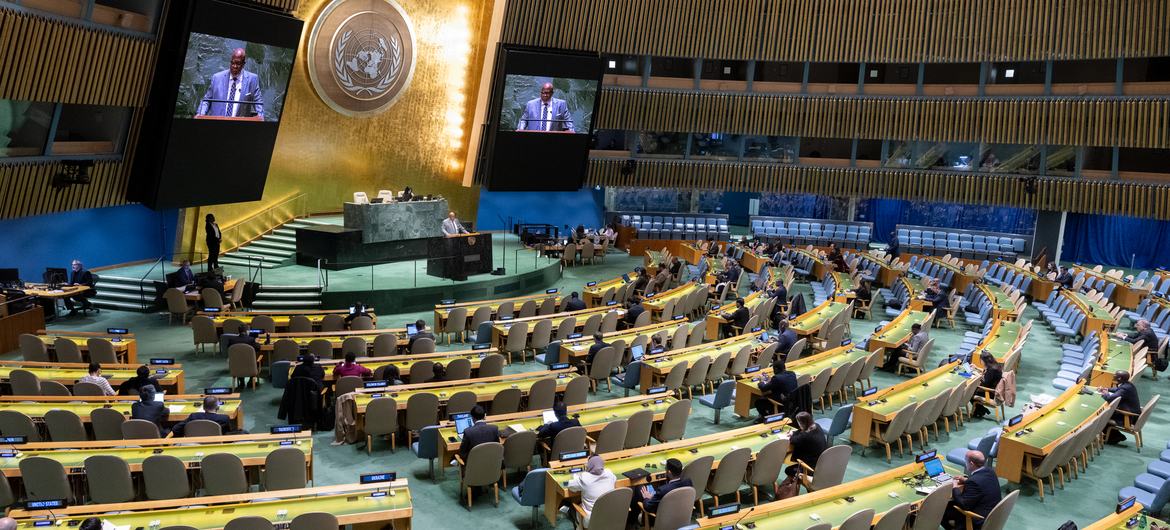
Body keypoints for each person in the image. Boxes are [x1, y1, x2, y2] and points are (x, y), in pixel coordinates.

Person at [941, 451, 1002, 530]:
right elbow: (981, 483)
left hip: (978, 519)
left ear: (971, 464)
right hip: (992, 514)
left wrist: (955, 486)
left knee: (941, 511)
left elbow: (964, 505)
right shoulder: (990, 471)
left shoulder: (973, 481)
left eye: (966, 461)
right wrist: (966, 480)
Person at [196, 48, 264, 119]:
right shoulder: (217, 78)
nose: (234, 66)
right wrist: (200, 114)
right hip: (217, 123)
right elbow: (206, 100)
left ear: (243, 64)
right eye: (232, 63)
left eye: (238, 63)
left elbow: (258, 102)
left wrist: (260, 118)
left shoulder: (252, 79)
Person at [631, 458, 692, 525]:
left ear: (669, 472)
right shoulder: (688, 483)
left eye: (665, 468)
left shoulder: (663, 490)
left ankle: (634, 520)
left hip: (660, 520)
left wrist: (647, 497)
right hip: (682, 517)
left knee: (639, 487)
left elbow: (647, 507)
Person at [566, 454, 617, 527]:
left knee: (572, 504)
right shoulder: (609, 474)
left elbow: (569, 485)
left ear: (589, 465)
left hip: (591, 520)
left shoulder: (584, 478)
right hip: (610, 516)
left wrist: (575, 475)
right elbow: (614, 479)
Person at [1101, 370, 1141, 444]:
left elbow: (1109, 399)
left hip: (1128, 417)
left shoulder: (1125, 388)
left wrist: (1105, 394)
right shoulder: (1128, 385)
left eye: (1115, 375)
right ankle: (1115, 436)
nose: (1113, 376)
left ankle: (1115, 437)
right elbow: (1117, 390)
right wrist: (1107, 389)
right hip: (1130, 413)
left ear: (1119, 378)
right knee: (1105, 412)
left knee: (1102, 416)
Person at [785, 412, 829, 478]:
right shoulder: (817, 426)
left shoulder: (805, 436)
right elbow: (801, 431)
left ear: (802, 423)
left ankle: (793, 485)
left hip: (811, 468)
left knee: (788, 470)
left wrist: (790, 436)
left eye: (799, 423)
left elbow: (794, 440)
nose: (798, 424)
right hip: (821, 463)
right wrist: (793, 432)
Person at [971, 352, 1002, 419]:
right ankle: (981, 410)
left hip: (990, 393)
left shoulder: (991, 370)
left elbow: (985, 383)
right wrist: (976, 368)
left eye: (981, 360)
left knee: (969, 393)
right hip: (995, 391)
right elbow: (987, 373)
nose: (981, 362)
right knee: (972, 390)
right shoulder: (996, 365)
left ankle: (981, 411)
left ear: (984, 360)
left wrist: (977, 374)